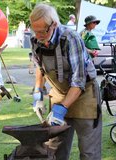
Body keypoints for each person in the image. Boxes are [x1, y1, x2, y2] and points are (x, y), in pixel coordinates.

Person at [29, 3, 101, 160]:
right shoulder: (35, 40)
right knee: (54, 149)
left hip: (85, 95)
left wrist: (62, 109)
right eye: (35, 31)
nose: (38, 35)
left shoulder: (71, 38)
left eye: (42, 31)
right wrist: (37, 93)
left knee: (89, 152)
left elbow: (79, 80)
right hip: (59, 94)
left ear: (53, 24)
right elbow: (39, 68)